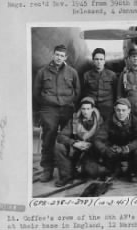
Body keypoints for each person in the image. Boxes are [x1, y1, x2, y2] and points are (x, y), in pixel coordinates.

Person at [33, 44, 81, 182]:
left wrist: (69, 102)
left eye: (62, 55)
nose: (59, 58)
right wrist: (47, 103)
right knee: (48, 138)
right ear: (53, 55)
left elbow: (77, 91)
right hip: (49, 110)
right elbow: (36, 93)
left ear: (65, 57)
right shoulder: (43, 72)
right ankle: (47, 169)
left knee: (67, 138)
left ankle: (66, 169)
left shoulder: (72, 72)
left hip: (67, 108)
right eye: (57, 55)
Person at [88, 98, 137, 182]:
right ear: (115, 109)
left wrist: (127, 148)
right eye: (118, 110)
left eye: (123, 110)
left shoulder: (136, 121)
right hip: (115, 150)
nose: (121, 113)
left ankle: (133, 171)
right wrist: (106, 150)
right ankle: (113, 169)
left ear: (129, 110)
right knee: (102, 151)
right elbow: (97, 139)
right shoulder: (109, 121)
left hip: (130, 149)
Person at [54, 97, 103, 187]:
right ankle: (66, 176)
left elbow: (103, 138)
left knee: (91, 172)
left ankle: (80, 170)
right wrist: (75, 143)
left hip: (92, 149)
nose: (85, 111)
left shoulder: (100, 121)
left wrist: (91, 143)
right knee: (59, 146)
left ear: (93, 109)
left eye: (88, 109)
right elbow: (61, 136)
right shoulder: (74, 119)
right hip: (77, 148)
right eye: (83, 109)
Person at [83, 48, 117, 121]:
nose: (99, 62)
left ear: (104, 61)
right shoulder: (86, 75)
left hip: (107, 108)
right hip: (91, 107)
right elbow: (83, 93)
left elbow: (116, 92)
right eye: (96, 59)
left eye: (101, 59)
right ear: (93, 61)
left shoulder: (112, 75)